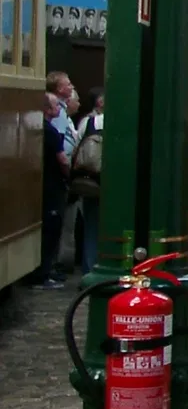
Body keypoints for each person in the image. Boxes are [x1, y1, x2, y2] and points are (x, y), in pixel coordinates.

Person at [28, 93, 69, 289]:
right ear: (47, 109)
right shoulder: (50, 132)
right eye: (56, 106)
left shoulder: (35, 128)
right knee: (51, 232)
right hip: (52, 187)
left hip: (38, 185)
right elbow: (62, 160)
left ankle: (43, 270)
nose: (59, 109)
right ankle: (43, 274)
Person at [70, 88, 105, 273]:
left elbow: (75, 149)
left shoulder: (88, 122)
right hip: (117, 185)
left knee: (91, 226)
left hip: (92, 181)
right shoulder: (125, 122)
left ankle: (90, 269)